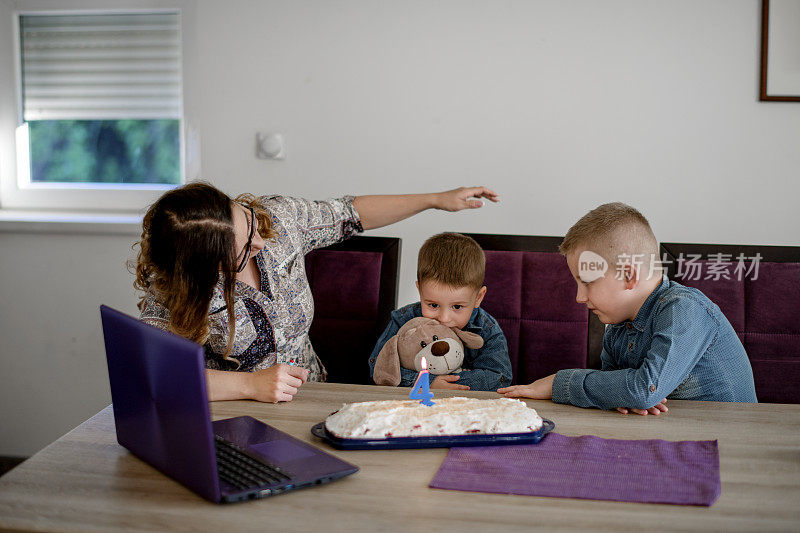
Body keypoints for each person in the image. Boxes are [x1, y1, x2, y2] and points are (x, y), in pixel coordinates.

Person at [134, 182, 499, 403]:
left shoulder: (279, 221)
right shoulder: (172, 291)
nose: (263, 239)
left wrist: (435, 198)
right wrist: (249, 384)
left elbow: (351, 213)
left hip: (312, 397)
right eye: (246, 248)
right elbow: (157, 377)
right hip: (227, 413)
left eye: (249, 221)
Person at [498, 202, 757, 414]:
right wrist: (621, 394)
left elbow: (643, 390)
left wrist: (559, 383)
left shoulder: (684, 310)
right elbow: (619, 390)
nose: (579, 297)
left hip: (730, 445)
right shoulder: (616, 329)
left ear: (629, 276)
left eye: (586, 283)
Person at [368, 232, 512, 391]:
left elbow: (500, 377)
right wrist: (426, 381)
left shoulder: (487, 328)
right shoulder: (404, 319)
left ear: (478, 297)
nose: (444, 318)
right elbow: (378, 367)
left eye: (457, 307)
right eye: (433, 305)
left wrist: (452, 383)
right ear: (420, 291)